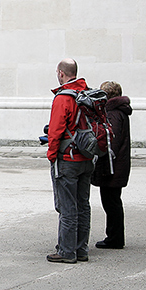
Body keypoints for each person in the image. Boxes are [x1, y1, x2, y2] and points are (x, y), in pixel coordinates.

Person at [46, 58, 94, 263]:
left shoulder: (63, 98)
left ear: (60, 73)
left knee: (67, 207)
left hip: (67, 158)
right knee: (83, 204)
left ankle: (66, 251)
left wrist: (51, 154)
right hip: (87, 156)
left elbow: (55, 131)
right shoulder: (87, 93)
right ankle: (81, 248)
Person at [92, 81, 132, 250]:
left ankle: (114, 238)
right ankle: (115, 237)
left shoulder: (113, 113)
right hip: (117, 165)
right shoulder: (119, 112)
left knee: (111, 202)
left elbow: (110, 142)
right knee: (113, 201)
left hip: (112, 167)